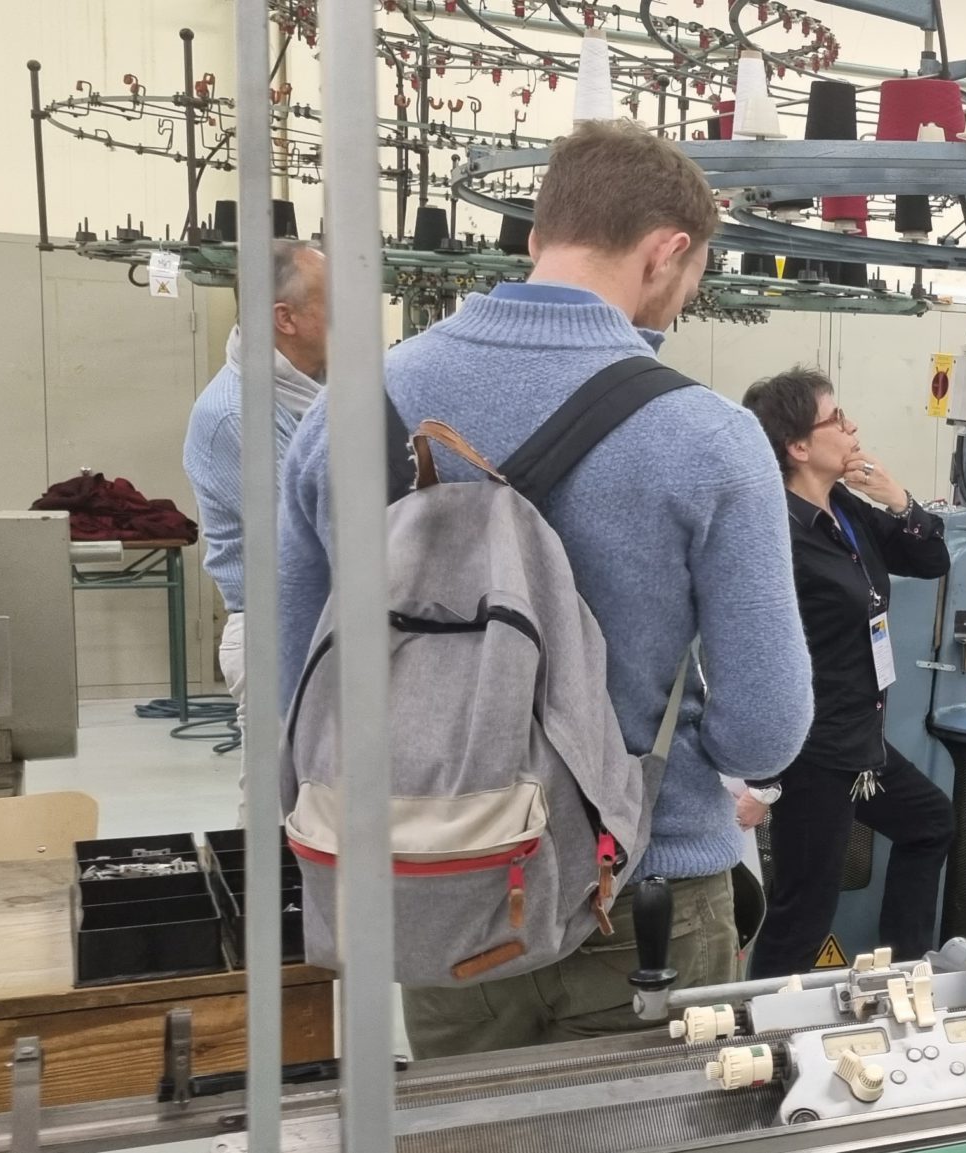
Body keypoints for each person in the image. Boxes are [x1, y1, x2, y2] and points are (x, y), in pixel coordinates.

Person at [277, 120, 813, 1056]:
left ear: (536, 236)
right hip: (640, 892)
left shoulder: (347, 411)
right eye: (692, 276)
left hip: (437, 883)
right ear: (666, 251)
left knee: (476, 1121)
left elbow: (298, 682)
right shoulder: (710, 439)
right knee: (651, 1121)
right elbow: (766, 725)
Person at [735, 368, 955, 978]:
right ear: (798, 447)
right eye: (835, 419)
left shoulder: (846, 510)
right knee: (804, 910)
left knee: (929, 822)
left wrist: (898, 499)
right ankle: (766, 1027)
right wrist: (762, 780)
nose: (851, 426)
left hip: (859, 741)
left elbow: (931, 560)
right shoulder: (775, 533)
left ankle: (902, 976)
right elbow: (750, 651)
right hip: (813, 752)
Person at [184, 240, 327, 726]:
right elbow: (312, 531)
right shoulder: (236, 414)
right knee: (283, 775)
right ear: (285, 318)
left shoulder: (318, 390)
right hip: (278, 632)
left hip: (323, 619)